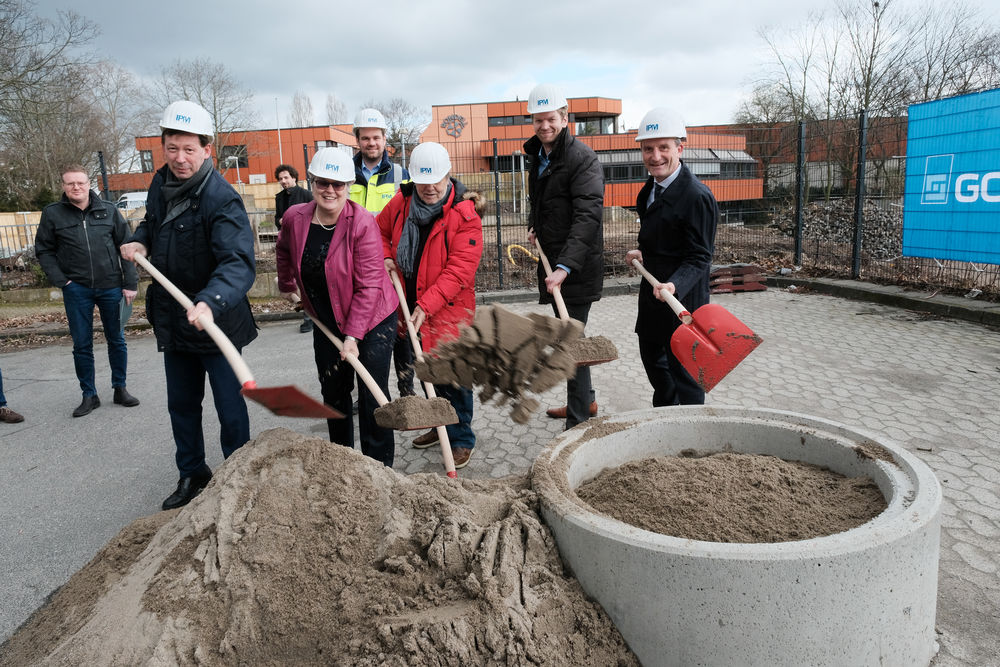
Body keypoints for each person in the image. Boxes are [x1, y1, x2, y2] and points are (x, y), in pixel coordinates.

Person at [120, 100, 258, 511]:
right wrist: (141, 237)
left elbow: (238, 262)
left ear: (207, 150)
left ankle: (239, 478)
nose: (180, 159)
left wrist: (210, 301)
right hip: (176, 320)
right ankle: (193, 472)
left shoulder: (222, 199)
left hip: (216, 323)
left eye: (189, 150)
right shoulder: (160, 184)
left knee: (230, 409)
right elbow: (152, 221)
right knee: (181, 404)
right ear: (164, 146)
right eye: (172, 148)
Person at [277, 147, 399, 467]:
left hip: (372, 320)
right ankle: (342, 463)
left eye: (339, 184)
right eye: (323, 183)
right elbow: (283, 250)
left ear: (348, 186)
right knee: (334, 392)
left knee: (372, 397)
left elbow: (370, 285)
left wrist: (353, 336)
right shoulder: (296, 218)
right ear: (312, 182)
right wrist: (287, 285)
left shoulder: (361, 224)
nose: (330, 190)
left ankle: (378, 467)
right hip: (326, 319)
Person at [376, 142, 483, 469]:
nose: (431, 187)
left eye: (437, 179)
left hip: (450, 309)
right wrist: (386, 257)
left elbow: (460, 270)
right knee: (430, 372)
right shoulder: (401, 203)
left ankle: (461, 436)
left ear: (448, 175)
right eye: (423, 180)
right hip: (410, 304)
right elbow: (377, 232)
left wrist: (427, 304)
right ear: (413, 179)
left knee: (454, 374)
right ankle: (441, 427)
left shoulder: (464, 214)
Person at [522, 83, 605, 430]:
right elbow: (541, 203)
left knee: (572, 341)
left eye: (550, 119)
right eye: (538, 120)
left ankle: (578, 421)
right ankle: (584, 401)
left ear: (565, 117)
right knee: (569, 337)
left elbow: (588, 216)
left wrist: (564, 267)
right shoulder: (539, 156)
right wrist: (534, 225)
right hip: (555, 264)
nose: (544, 126)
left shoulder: (581, 159)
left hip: (575, 269)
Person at [626, 107, 718, 407]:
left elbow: (700, 257)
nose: (655, 156)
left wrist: (674, 285)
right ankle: (664, 420)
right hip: (653, 299)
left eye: (663, 148)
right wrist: (644, 251)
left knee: (687, 375)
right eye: (648, 149)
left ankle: (692, 434)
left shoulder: (696, 196)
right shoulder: (648, 191)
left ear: (680, 147)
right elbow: (660, 235)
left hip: (683, 302)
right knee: (655, 364)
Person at [35, 165, 140, 418]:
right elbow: (44, 250)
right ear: (63, 185)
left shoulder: (109, 210)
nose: (76, 187)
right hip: (77, 289)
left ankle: (120, 388)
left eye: (80, 183)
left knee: (116, 339)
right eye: (70, 183)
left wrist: (130, 283)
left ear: (88, 183)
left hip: (111, 286)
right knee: (82, 344)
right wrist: (62, 281)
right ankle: (89, 395)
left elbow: (126, 247)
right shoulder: (53, 214)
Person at [349, 107, 415, 401]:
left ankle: (406, 388)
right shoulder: (344, 176)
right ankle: (366, 391)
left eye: (376, 137)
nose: (371, 143)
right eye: (366, 138)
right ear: (358, 141)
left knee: (401, 328)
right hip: (354, 264)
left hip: (393, 263)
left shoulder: (401, 174)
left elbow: (414, 214)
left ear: (385, 138)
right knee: (357, 325)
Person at [274, 164, 314, 333]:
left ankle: (309, 318)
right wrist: (280, 221)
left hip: (306, 243)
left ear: (294, 178)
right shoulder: (279, 197)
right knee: (293, 282)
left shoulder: (306, 194)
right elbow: (277, 218)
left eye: (286, 178)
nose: (283, 181)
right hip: (288, 243)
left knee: (305, 280)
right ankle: (307, 313)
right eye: (280, 179)